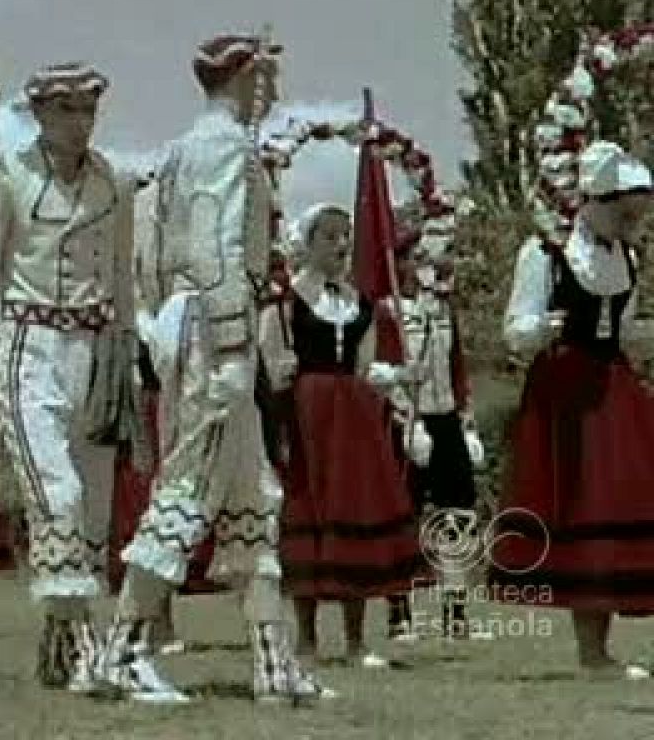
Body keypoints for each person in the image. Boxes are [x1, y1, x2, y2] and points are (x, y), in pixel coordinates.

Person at [100, 32, 328, 705]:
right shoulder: (223, 148)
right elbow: (215, 247)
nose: (276, 92)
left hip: (200, 327)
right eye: (269, 79)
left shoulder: (184, 150)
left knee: (253, 497)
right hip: (214, 336)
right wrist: (232, 348)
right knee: (186, 490)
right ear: (247, 77)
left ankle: (272, 659)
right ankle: (123, 649)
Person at [0, 61, 141, 693]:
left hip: (92, 348)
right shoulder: (7, 176)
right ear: (39, 114)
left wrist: (126, 352)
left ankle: (58, 651)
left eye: (88, 110)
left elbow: (122, 274)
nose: (80, 122)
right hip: (27, 342)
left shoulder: (113, 183)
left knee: (92, 509)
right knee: (54, 496)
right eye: (67, 110)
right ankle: (92, 649)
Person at [492, 139, 654, 679]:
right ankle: (591, 651)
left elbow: (625, 330)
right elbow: (515, 331)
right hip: (565, 389)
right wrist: (542, 330)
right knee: (581, 502)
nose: (630, 223)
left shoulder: (625, 258)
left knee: (616, 501)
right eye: (622, 211)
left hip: (611, 385)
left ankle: (599, 648)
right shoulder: (547, 254)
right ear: (592, 202)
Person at [263, 204, 420, 668]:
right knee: (310, 506)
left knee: (355, 507)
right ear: (307, 245)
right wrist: (280, 375)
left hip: (351, 418)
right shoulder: (286, 305)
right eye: (329, 237)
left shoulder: (360, 304)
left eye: (344, 236)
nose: (340, 245)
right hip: (308, 415)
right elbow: (268, 365)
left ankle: (356, 639)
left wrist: (394, 377)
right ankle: (307, 637)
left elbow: (364, 367)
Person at [382, 218, 484, 644]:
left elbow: (456, 364)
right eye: (416, 258)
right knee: (402, 514)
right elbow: (383, 368)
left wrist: (466, 416)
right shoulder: (387, 310)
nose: (424, 266)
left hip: (444, 418)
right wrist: (405, 417)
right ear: (400, 263)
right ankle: (400, 613)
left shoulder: (442, 307)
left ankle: (455, 613)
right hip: (405, 419)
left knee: (456, 514)